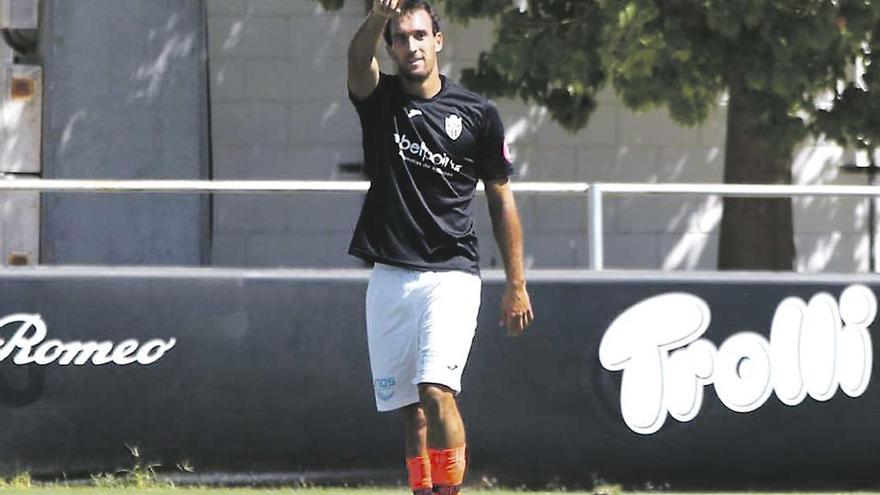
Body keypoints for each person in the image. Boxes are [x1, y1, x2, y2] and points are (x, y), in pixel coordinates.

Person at [346, 1, 534, 493]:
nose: (412, 46)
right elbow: (355, 62)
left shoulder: (477, 113)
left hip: (451, 275)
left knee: (436, 391)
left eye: (420, 35)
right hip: (390, 274)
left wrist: (516, 283)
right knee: (410, 413)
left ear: (438, 41)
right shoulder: (379, 99)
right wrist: (374, 18)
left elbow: (500, 198)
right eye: (401, 37)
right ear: (391, 46)